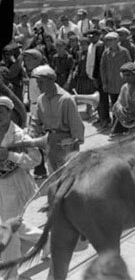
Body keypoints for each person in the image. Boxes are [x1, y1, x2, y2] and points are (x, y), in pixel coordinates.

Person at [0, 96, 46, 280]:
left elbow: (36, 160)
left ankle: (11, 274)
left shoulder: (20, 136)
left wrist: (10, 155)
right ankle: (47, 240)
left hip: (14, 187)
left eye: (1, 112)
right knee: (10, 225)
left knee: (8, 229)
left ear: (10, 113)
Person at [30, 65, 84, 172]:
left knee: (69, 175)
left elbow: (76, 124)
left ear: (50, 81)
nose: (38, 86)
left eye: (40, 82)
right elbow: (36, 121)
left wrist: (74, 146)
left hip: (66, 144)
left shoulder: (66, 99)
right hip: (50, 143)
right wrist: (31, 135)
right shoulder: (41, 99)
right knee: (53, 175)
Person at [100, 32, 132, 125]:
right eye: (108, 40)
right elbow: (103, 69)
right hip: (111, 84)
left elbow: (130, 66)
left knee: (124, 104)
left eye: (111, 40)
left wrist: (128, 80)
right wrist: (104, 83)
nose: (109, 42)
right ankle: (116, 124)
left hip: (122, 83)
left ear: (117, 41)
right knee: (114, 105)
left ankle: (125, 124)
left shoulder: (124, 51)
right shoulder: (106, 53)